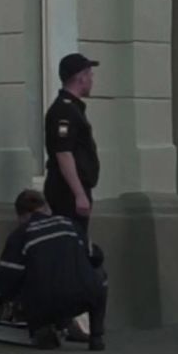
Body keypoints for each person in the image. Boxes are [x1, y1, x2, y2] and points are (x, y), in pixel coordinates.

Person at [0, 190, 108, 351]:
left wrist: (3, 299)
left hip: (44, 304)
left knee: (30, 284)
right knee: (100, 275)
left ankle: (43, 328)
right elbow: (96, 256)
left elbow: (8, 278)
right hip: (82, 296)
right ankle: (96, 336)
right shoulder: (69, 224)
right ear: (46, 207)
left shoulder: (20, 235)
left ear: (21, 216)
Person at [44, 53, 101, 242]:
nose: (92, 79)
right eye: (90, 74)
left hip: (72, 190)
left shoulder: (73, 109)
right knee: (71, 244)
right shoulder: (65, 111)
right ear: (81, 77)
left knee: (78, 242)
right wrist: (79, 194)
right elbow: (64, 153)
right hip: (66, 192)